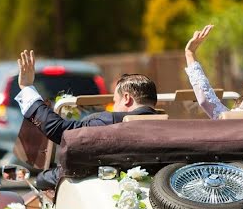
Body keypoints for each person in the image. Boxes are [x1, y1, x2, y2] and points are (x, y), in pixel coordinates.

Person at [14, 49, 159, 189]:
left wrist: (26, 88)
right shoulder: (168, 126)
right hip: (159, 189)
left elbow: (60, 130)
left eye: (115, 101)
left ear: (126, 98)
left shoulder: (109, 122)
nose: (114, 107)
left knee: (43, 178)